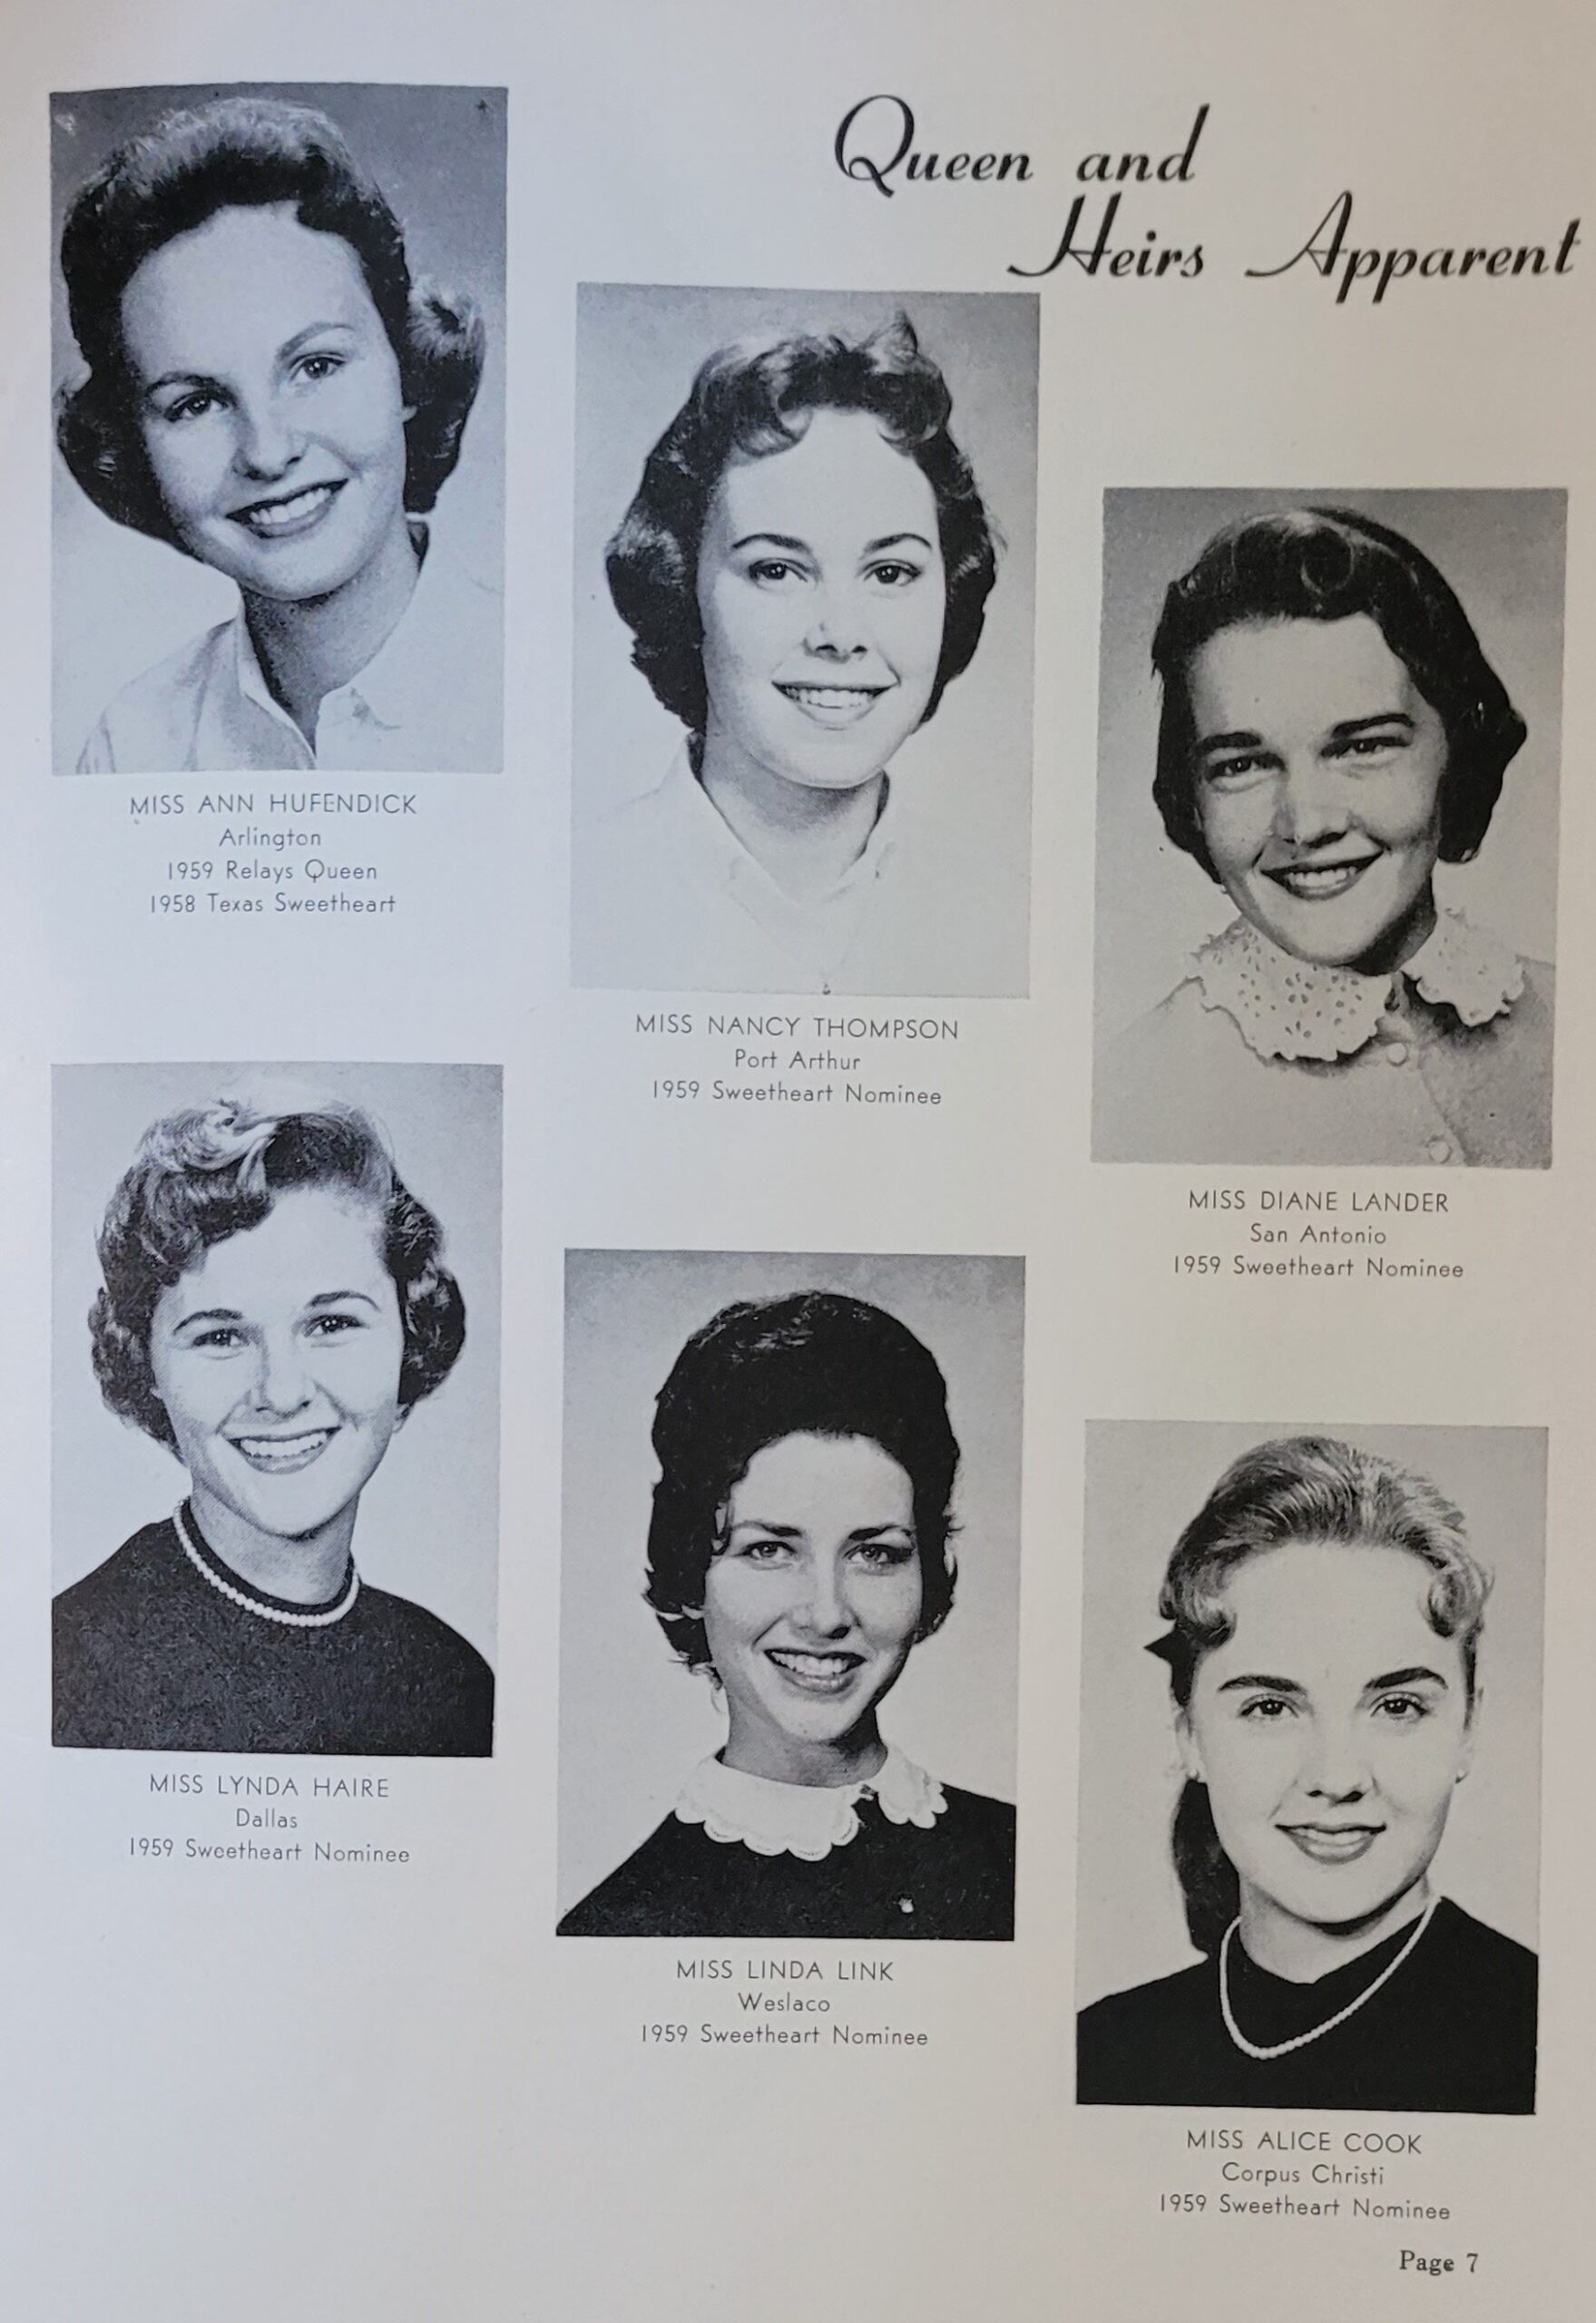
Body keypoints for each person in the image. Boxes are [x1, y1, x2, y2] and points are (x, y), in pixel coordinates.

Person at [1076, 1436, 1536, 2111]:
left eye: (1397, 1705)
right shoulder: (1101, 2052)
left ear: (1466, 1729)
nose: (1336, 1775)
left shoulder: (1553, 2037)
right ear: (1189, 1735)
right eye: (1269, 1707)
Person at [1095, 508, 1553, 1165]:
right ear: (1190, 799)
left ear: (1458, 750)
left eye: (1361, 746)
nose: (1305, 825)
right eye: (1241, 765)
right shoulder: (1129, 1098)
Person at [56, 94, 500, 773]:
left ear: (406, 370)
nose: (266, 452)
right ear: (135, 446)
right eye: (196, 403)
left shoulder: (543, 689)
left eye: (314, 366)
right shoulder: (133, 747)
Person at [559, 1292, 1015, 1936]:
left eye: (875, 1553)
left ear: (926, 1574)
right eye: (769, 1549)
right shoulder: (619, 1925)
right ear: (693, 1571)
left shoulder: (1021, 1859)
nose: (825, 1614)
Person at [574, 313, 1005, 995]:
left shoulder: (1006, 918)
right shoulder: (573, 897)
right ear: (681, 587)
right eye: (776, 570)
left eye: (889, 573)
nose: (839, 633)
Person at [54, 1094, 494, 1755]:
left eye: (332, 1324)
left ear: (411, 1342)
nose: (281, 1393)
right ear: (146, 1368)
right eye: (221, 1336)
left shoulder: (453, 1682)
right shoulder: (63, 1665)